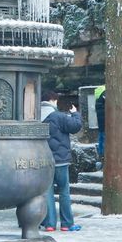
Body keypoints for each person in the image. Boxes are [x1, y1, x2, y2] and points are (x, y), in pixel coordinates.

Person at [40, 88, 82, 232]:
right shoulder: (58, 116)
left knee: (47, 192)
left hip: (43, 162)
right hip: (60, 161)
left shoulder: (35, 117)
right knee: (64, 191)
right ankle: (67, 224)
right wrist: (75, 113)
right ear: (52, 100)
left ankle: (50, 224)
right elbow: (75, 126)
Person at [94, 84, 106, 161]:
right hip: (105, 123)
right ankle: (103, 153)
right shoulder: (103, 99)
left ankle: (101, 152)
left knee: (101, 137)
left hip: (101, 123)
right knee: (104, 138)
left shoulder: (98, 100)